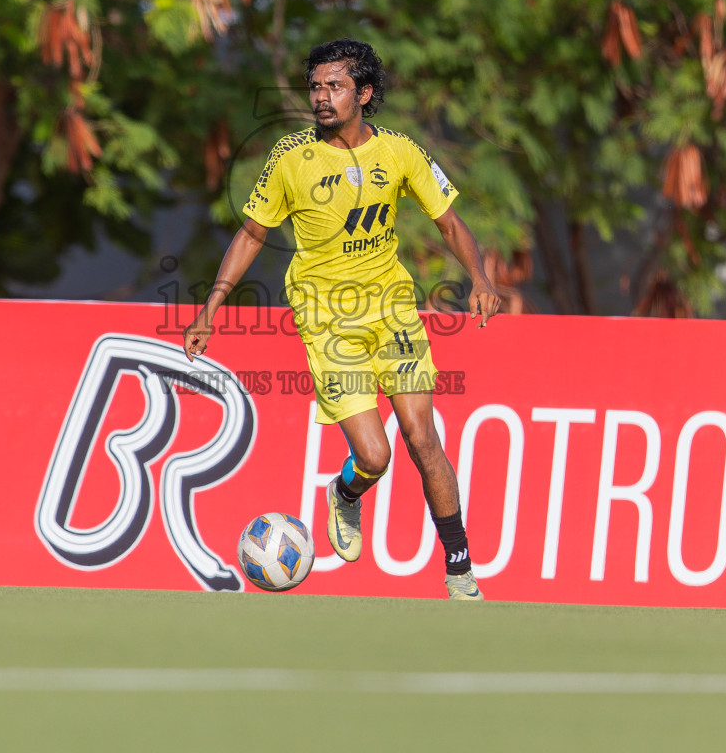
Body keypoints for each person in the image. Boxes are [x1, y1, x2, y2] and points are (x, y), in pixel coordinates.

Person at [183, 38, 503, 600]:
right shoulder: (290, 158)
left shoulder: (401, 152)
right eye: (315, 86)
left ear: (365, 93)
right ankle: (347, 493)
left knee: (422, 437)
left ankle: (460, 571)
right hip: (328, 318)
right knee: (375, 456)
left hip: (393, 307)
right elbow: (252, 233)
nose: (322, 97)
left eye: (335, 86)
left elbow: (450, 224)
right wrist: (211, 308)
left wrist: (479, 278)